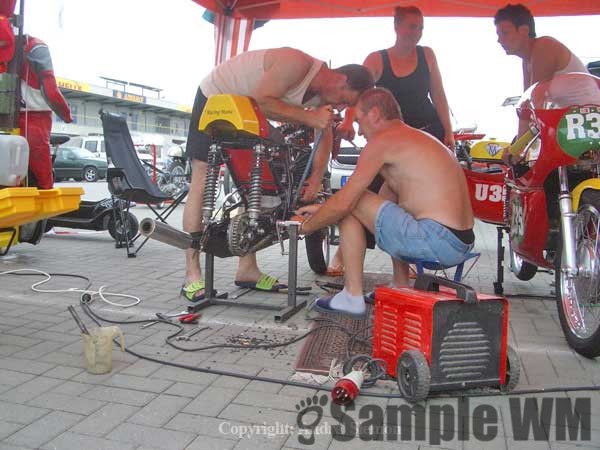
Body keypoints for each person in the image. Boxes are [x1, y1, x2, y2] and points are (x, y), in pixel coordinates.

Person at [182, 47, 373, 301]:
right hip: (216, 97)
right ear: (341, 80)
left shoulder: (321, 94)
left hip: (245, 109)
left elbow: (323, 131)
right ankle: (192, 274)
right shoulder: (296, 64)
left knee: (254, 182)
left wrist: (316, 178)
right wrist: (309, 118)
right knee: (203, 176)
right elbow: (263, 99)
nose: (340, 107)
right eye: (345, 101)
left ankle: (247, 268)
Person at [295, 88, 474, 319]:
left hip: (436, 240)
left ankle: (352, 296)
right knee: (384, 203)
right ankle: (399, 286)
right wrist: (323, 210)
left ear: (376, 114)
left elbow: (346, 203)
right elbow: (382, 208)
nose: (359, 131)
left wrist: (305, 227)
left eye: (359, 121)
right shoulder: (416, 139)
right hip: (460, 242)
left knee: (353, 199)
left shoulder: (383, 141)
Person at [328, 5, 455, 276]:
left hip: (424, 133)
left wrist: (449, 131)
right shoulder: (377, 59)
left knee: (413, 197)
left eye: (420, 28)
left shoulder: (427, 55)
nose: (416, 33)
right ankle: (343, 253)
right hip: (388, 139)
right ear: (396, 26)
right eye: (411, 26)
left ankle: (408, 260)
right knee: (366, 192)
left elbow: (440, 95)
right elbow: (357, 93)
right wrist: (349, 121)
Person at [494, 3, 591, 163]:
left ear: (524, 30)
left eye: (505, 33)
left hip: (587, 126)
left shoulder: (544, 47)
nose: (499, 40)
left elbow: (535, 106)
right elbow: (526, 108)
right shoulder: (527, 61)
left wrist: (518, 148)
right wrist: (517, 148)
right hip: (575, 127)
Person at [19, 34, 72, 188]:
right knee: (44, 181)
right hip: (35, 119)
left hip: (13, 119)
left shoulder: (12, 48)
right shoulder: (37, 47)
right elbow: (50, 90)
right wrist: (66, 115)